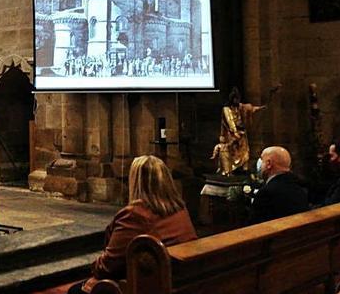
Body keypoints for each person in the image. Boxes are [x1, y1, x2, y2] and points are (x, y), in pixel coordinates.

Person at [68, 155, 197, 294]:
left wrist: (95, 266)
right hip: (181, 279)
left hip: (155, 285)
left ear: (135, 182)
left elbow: (107, 267)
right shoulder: (179, 207)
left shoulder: (135, 215)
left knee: (76, 291)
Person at [212, 87, 266, 175]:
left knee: (245, 153)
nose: (237, 101)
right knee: (230, 154)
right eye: (235, 99)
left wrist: (262, 107)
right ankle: (228, 171)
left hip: (241, 134)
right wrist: (235, 133)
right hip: (230, 135)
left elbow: (252, 108)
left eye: (238, 99)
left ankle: (243, 170)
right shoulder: (226, 109)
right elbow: (230, 122)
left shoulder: (241, 107)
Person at [250, 146, 309, 223]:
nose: (260, 164)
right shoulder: (300, 185)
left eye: (262, 159)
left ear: (269, 164)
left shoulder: (266, 193)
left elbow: (254, 227)